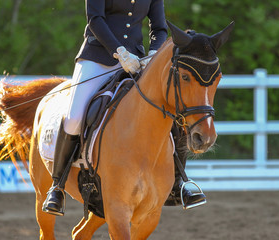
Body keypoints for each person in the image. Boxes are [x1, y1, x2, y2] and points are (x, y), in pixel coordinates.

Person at [42, 0, 206, 216]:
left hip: (138, 59)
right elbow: (95, 19)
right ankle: (57, 187)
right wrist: (119, 52)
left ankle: (179, 184)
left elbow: (158, 27)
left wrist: (154, 54)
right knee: (74, 117)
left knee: (170, 111)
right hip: (97, 57)